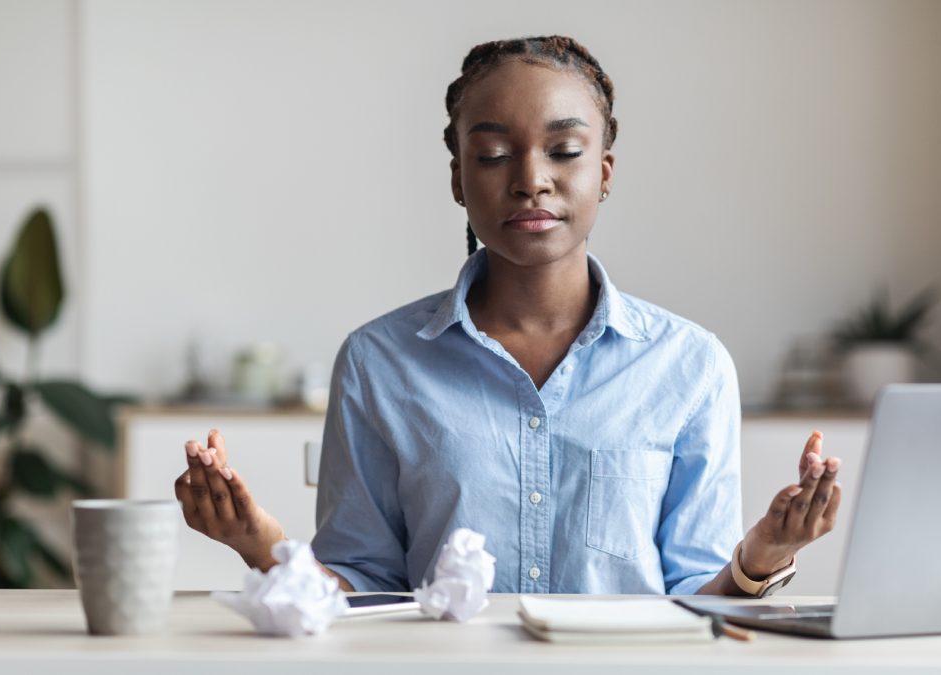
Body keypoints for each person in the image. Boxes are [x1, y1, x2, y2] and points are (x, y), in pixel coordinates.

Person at [174, 35, 841, 596]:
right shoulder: (378, 362)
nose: (530, 179)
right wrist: (257, 543)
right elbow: (365, 595)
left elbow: (695, 601)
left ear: (604, 171)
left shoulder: (690, 366)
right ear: (459, 178)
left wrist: (763, 555)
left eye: (563, 151)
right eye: (493, 155)